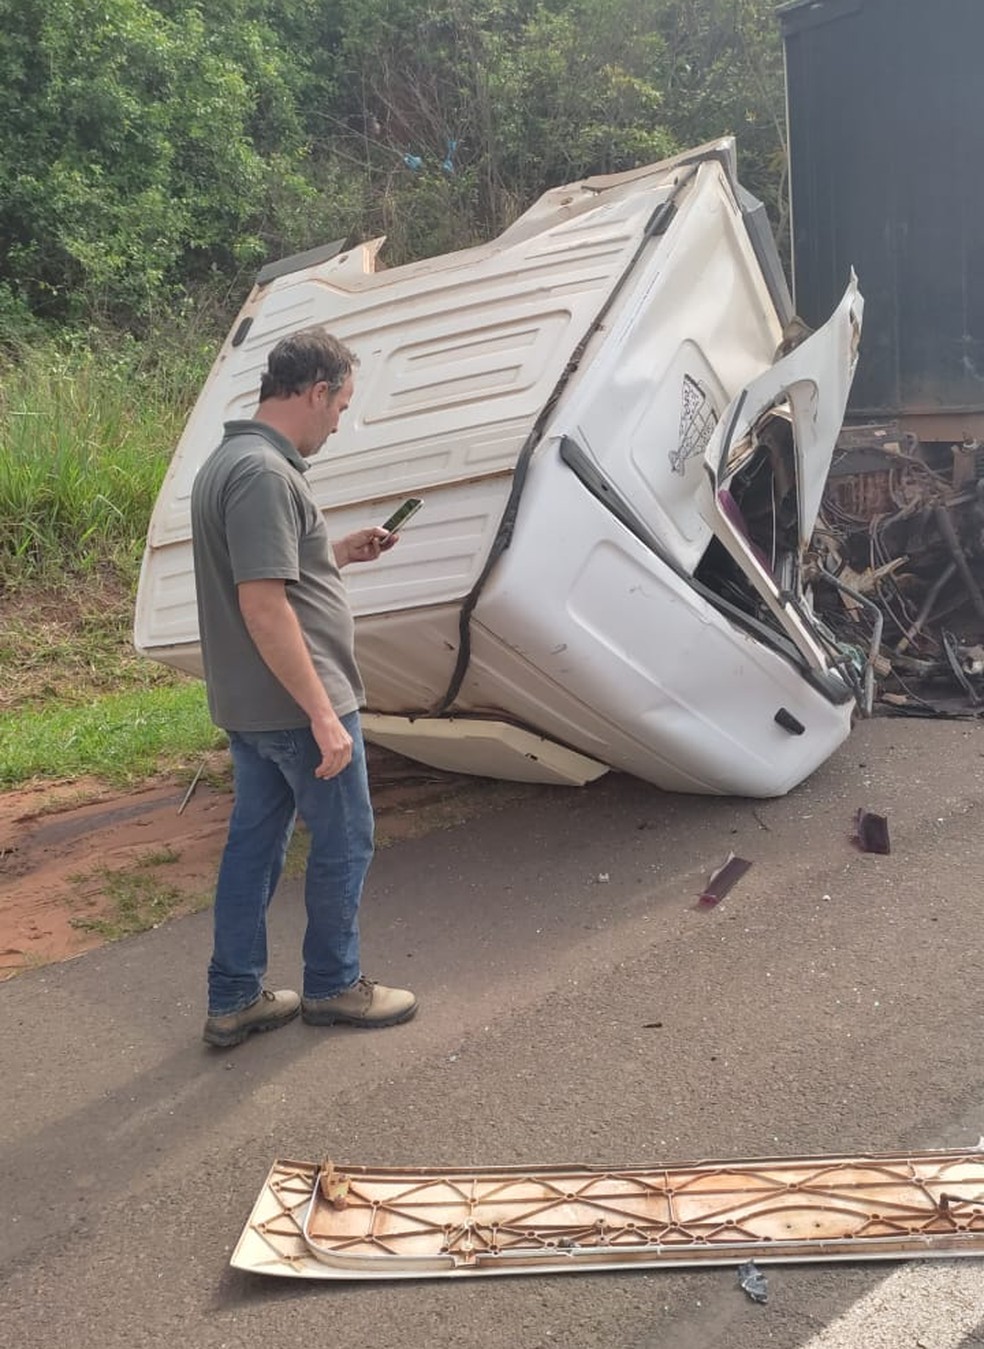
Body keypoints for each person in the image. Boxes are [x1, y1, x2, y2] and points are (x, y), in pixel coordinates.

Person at [191, 326, 417, 1048]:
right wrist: (322, 713)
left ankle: (234, 998)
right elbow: (262, 604)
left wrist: (337, 551)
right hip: (296, 706)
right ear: (315, 391)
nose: (337, 422)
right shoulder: (264, 473)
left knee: (254, 848)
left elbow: (275, 576)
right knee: (345, 840)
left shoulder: (232, 461)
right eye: (341, 406)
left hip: (252, 706)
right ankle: (333, 986)